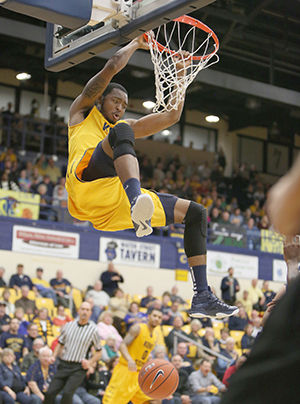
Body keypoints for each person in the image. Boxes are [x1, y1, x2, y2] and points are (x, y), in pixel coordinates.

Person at [64, 33, 238, 319]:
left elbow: (171, 117)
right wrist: (135, 43)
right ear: (100, 100)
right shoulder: (81, 113)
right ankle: (137, 201)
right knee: (122, 133)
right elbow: (110, 68)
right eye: (115, 101)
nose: (120, 107)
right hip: (86, 186)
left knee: (195, 213)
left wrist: (180, 75)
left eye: (124, 104)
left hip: (114, 205)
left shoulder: (123, 125)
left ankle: (203, 295)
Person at [44, 302, 102, 404]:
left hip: (78, 368)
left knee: (67, 393)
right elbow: (60, 343)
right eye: (83, 309)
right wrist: (53, 356)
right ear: (78, 311)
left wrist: (90, 362)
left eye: (87, 310)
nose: (84, 312)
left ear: (90, 313)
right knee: (50, 392)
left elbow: (99, 352)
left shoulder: (94, 330)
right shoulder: (68, 325)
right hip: (64, 364)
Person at [102, 308, 163, 404]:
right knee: (112, 402)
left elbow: (143, 354)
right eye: (154, 316)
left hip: (138, 375)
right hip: (125, 370)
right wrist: (130, 360)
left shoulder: (155, 336)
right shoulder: (137, 328)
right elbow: (122, 345)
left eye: (159, 317)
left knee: (155, 399)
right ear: (148, 316)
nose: (156, 318)